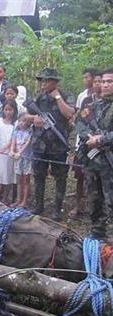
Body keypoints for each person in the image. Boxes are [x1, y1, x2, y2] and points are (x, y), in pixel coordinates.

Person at [30, 68, 75, 220]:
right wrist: (33, 119)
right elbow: (24, 115)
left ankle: (57, 209)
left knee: (60, 178)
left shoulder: (65, 96)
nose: (43, 83)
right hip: (40, 145)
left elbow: (69, 114)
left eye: (47, 80)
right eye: (42, 80)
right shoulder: (39, 97)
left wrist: (57, 97)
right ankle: (38, 206)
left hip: (58, 145)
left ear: (55, 82)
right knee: (38, 176)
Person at [76, 68, 113, 243]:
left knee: (110, 200)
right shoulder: (92, 106)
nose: (106, 84)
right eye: (104, 81)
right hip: (93, 161)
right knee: (94, 199)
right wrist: (88, 137)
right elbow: (80, 123)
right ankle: (97, 232)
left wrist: (102, 139)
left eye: (110, 81)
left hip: (109, 162)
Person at [70, 68, 98, 217]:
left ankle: (94, 207)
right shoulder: (83, 98)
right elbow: (78, 119)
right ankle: (78, 205)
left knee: (95, 178)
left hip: (100, 144)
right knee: (79, 176)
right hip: (83, 143)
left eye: (87, 77)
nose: (84, 80)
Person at [0, 99, 18, 201]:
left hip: (9, 152)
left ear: (14, 110)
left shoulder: (15, 124)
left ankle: (6, 197)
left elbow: (13, 138)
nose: (8, 112)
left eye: (10, 110)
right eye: (6, 109)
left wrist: (6, 148)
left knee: (8, 174)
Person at [10, 113, 33, 208]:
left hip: (26, 158)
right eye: (20, 121)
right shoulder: (16, 132)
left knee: (26, 179)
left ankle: (24, 200)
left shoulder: (30, 132)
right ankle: (18, 199)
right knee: (19, 179)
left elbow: (27, 143)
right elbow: (13, 142)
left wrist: (19, 152)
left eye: (24, 121)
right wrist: (12, 150)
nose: (21, 123)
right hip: (17, 158)